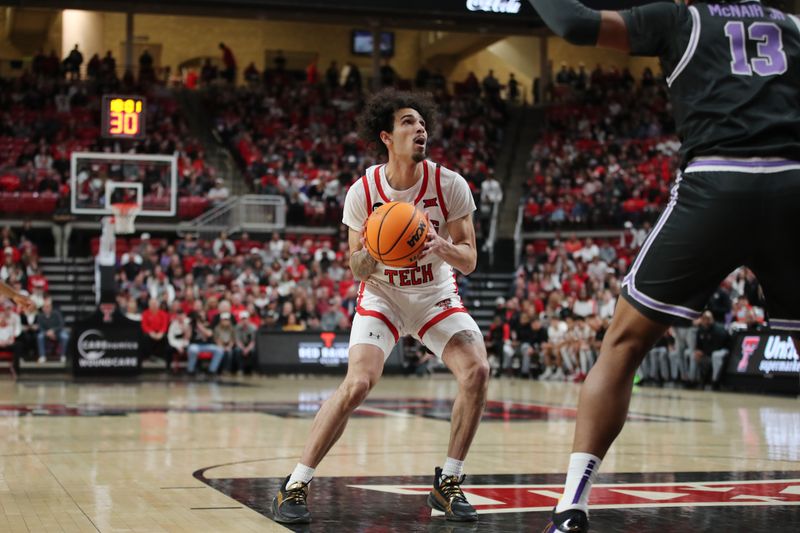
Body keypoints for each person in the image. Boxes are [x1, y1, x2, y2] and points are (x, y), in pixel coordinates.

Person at [528, 1, 800, 531]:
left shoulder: (682, 18)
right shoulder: (791, 25)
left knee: (624, 344)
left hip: (718, 182)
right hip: (794, 182)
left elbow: (575, 23)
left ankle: (571, 506)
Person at [272, 89, 489, 524]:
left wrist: (438, 243)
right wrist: (377, 244)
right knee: (358, 384)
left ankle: (447, 483)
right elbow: (356, 266)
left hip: (434, 294)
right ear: (387, 136)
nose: (420, 128)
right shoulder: (363, 190)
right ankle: (293, 486)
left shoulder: (449, 185)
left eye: (423, 123)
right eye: (409, 122)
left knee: (477, 371)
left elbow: (469, 260)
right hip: (383, 294)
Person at [34, 297, 69, 363]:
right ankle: (42, 356)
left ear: (51, 307)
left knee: (65, 336)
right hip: (46, 333)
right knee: (40, 336)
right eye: (45, 307)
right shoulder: (40, 316)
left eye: (48, 306)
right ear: (42, 308)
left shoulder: (57, 314)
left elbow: (61, 324)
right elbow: (40, 327)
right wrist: (47, 332)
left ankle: (63, 355)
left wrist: (53, 331)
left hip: (57, 331)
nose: (46, 308)